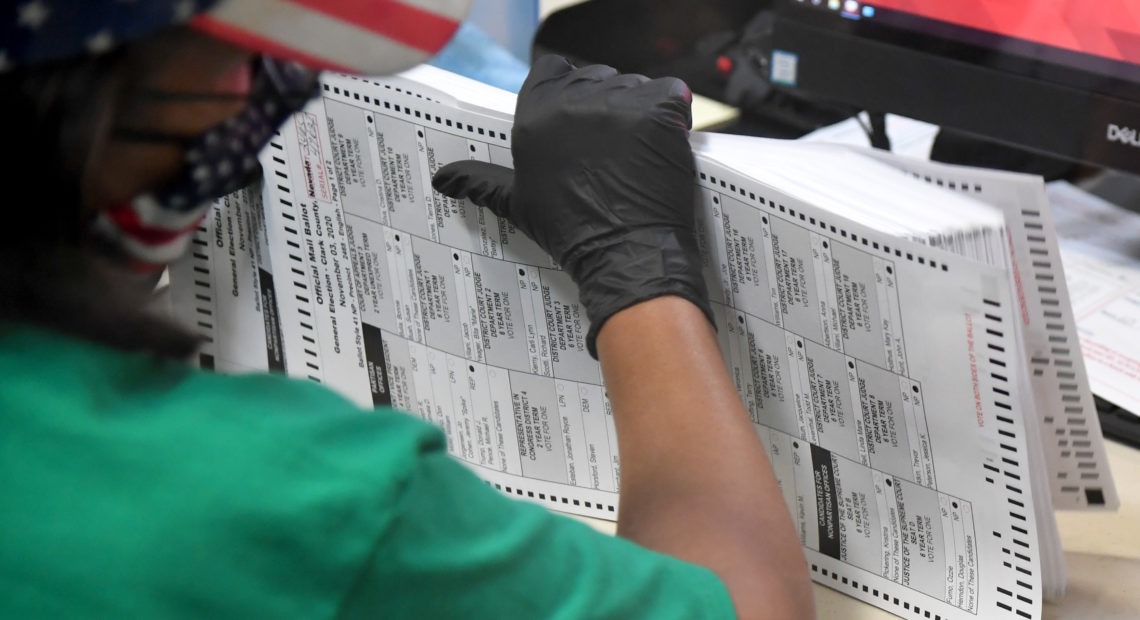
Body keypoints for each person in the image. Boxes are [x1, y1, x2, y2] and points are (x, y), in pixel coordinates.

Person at [0, 1, 814, 618]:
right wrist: (635, 268)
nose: (283, 80)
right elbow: (738, 604)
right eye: (240, 51)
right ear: (73, 106)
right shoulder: (272, 493)